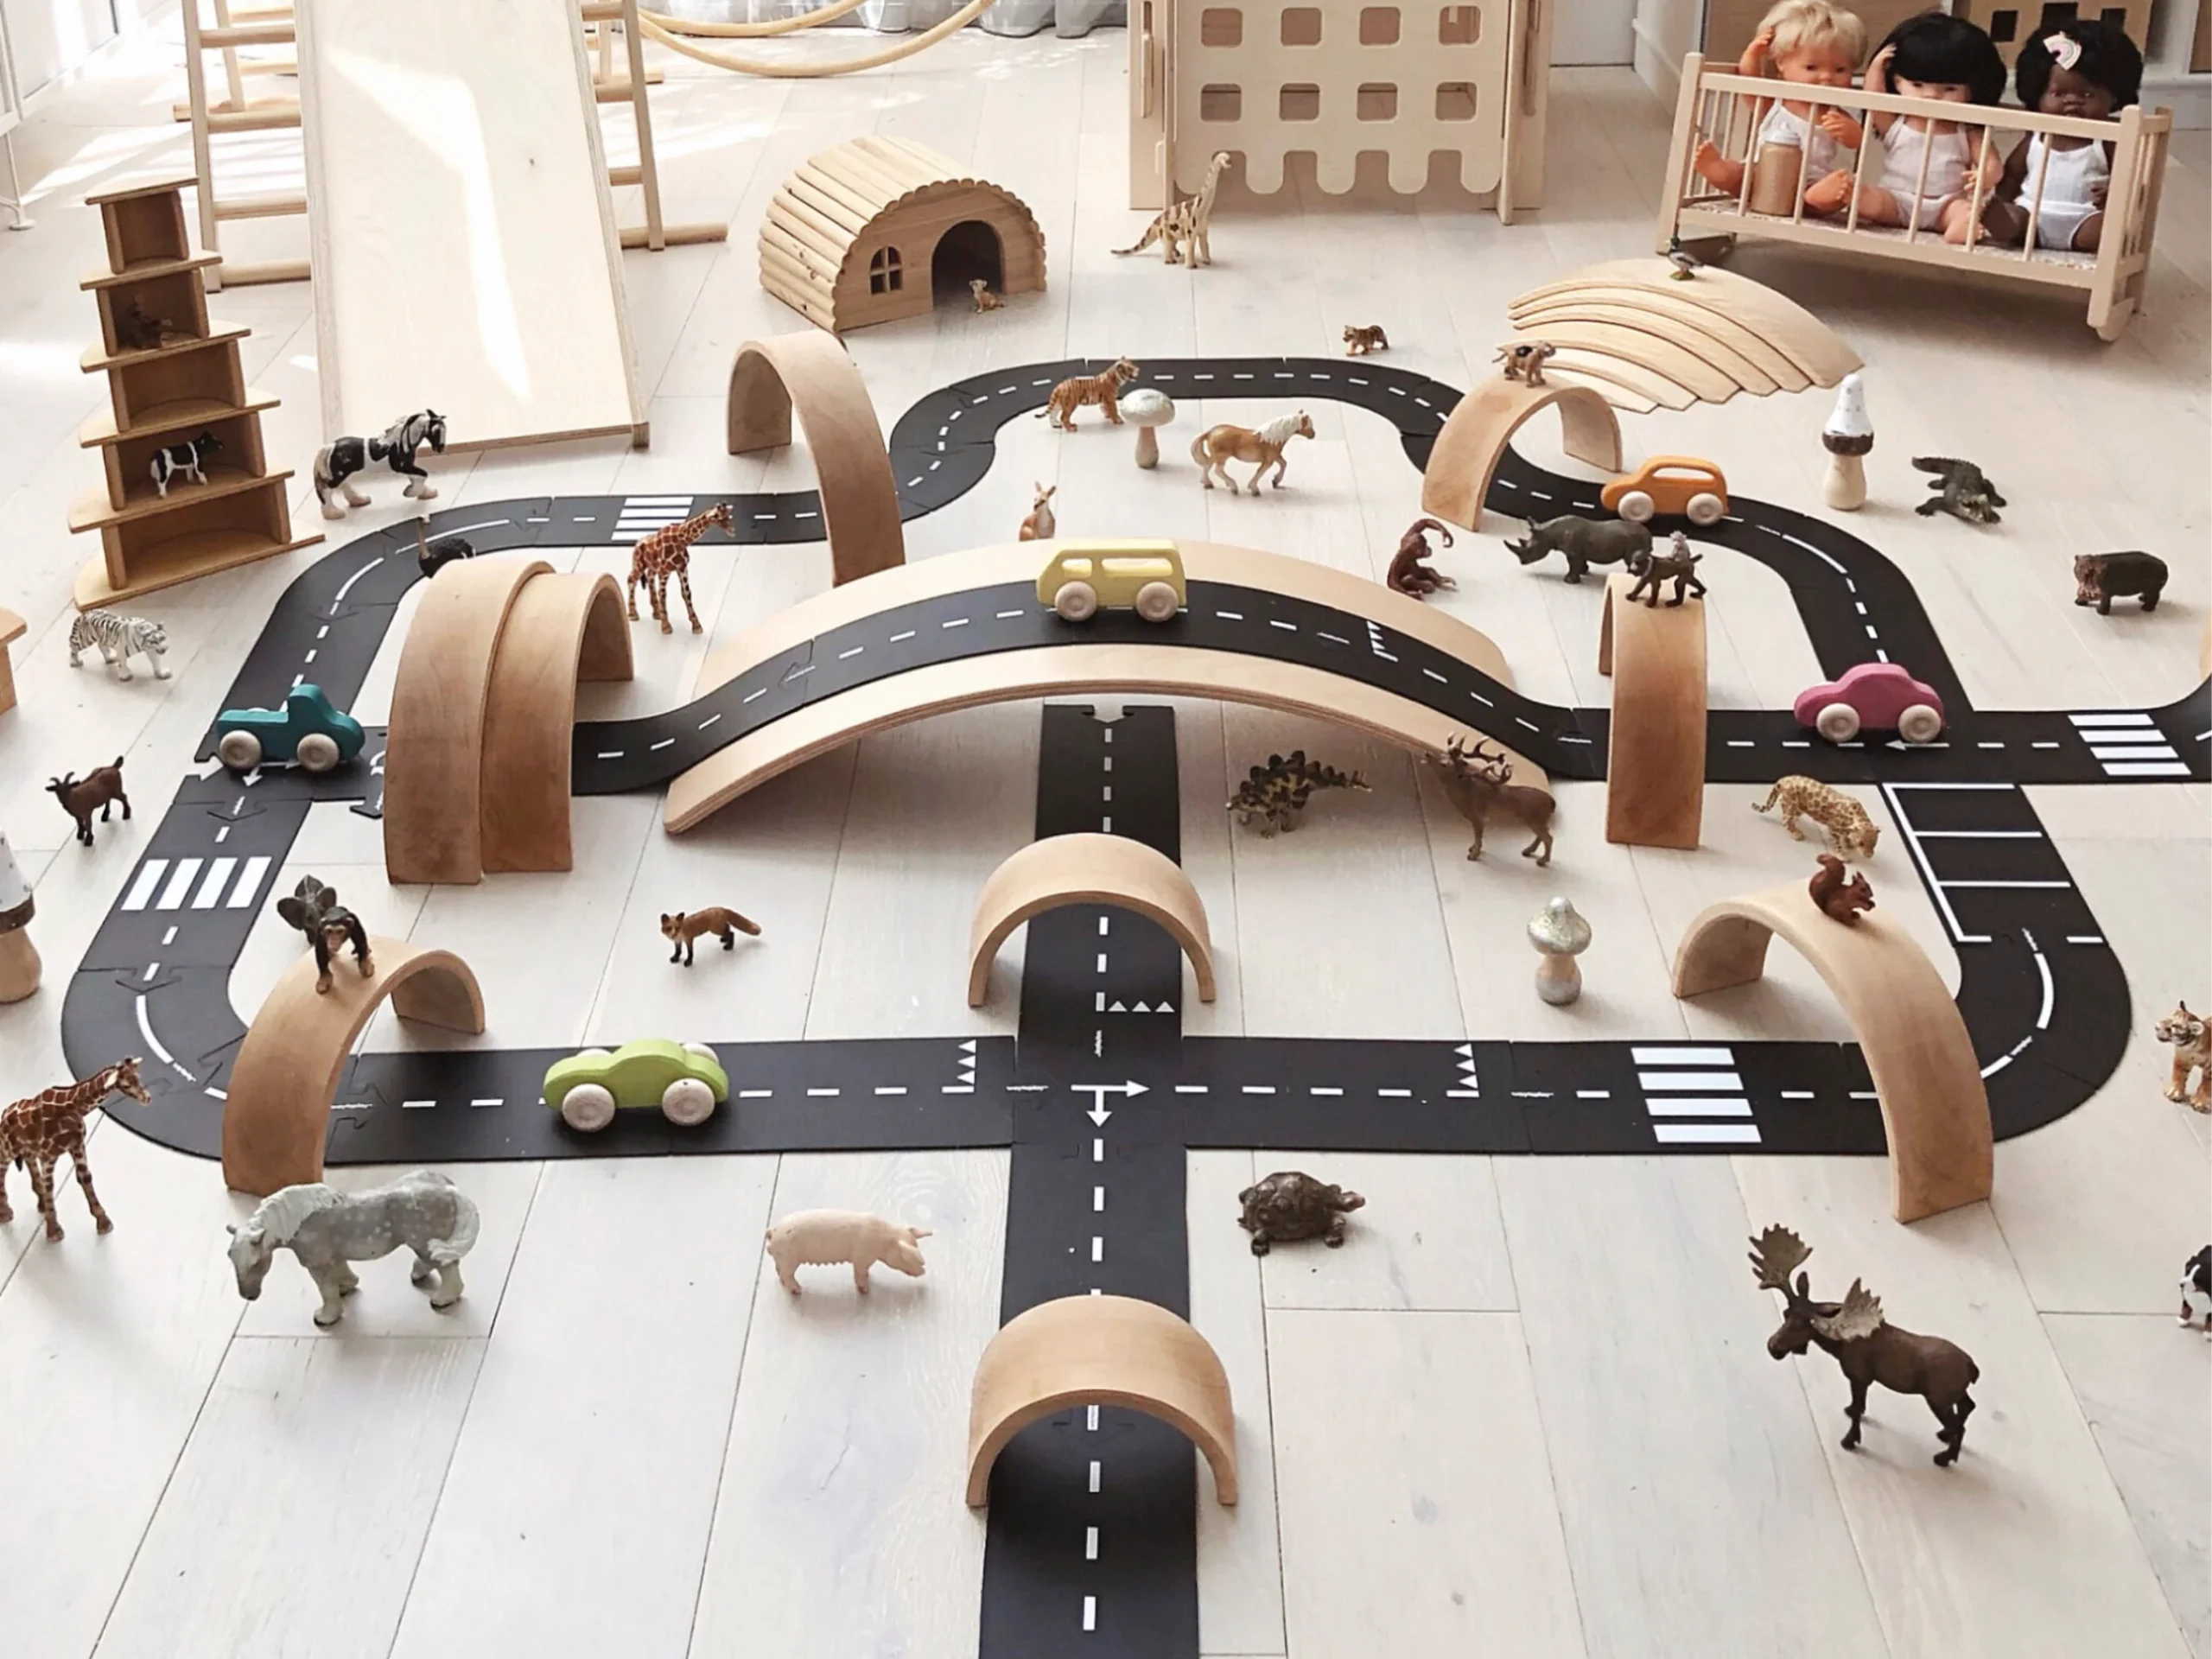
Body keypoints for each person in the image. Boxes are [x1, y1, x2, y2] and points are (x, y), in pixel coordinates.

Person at [1802, 11, 2006, 236]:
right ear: (1898, 83)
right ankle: (1854, 197)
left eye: (1949, 89)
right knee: (1876, 199)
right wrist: (1877, 69)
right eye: (1917, 85)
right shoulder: (1897, 124)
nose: (1931, 96)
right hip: (1898, 198)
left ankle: (1960, 226)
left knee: (1964, 210)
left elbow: (1991, 163)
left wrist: (1986, 176)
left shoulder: (1967, 132)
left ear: (1971, 91)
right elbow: (1874, 103)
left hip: (1946, 203)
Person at [1974, 20, 2142, 253]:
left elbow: (2126, 177)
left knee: (2107, 228)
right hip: (2032, 212)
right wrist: (2002, 198)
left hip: (2084, 217)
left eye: (2088, 95)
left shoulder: (2106, 142)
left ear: (2114, 96)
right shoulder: (2036, 138)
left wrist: (2115, 192)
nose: (2072, 101)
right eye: (2058, 94)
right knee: (2015, 218)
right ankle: (2003, 224)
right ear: (2037, 96)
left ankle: (2099, 238)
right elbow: (2013, 174)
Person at [1694, 1, 1869, 212]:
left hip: (1810, 182)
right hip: (1765, 177)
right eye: (1811, 67)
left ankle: (1815, 199)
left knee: (1837, 194)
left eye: (1840, 70)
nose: (1826, 77)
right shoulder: (1776, 104)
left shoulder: (1836, 114)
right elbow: (1749, 82)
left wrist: (1851, 133)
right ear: (1781, 64)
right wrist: (1752, 55)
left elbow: (1859, 142)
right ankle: (1721, 172)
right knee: (1741, 174)